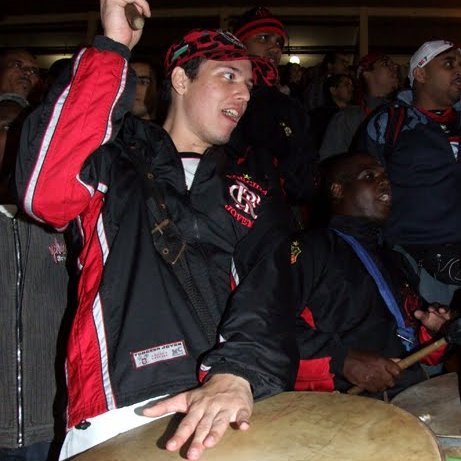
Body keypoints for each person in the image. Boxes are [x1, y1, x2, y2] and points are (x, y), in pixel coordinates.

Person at [15, 1, 298, 460]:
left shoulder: (250, 188)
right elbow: (44, 196)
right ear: (181, 80)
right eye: (228, 76)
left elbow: (272, 289)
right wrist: (113, 48)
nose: (244, 94)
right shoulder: (114, 159)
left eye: (249, 85)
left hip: (224, 398)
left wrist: (239, 372)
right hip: (119, 405)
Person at [292, 153, 451, 398]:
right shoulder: (309, 249)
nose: (385, 182)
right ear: (337, 190)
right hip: (346, 408)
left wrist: (432, 330)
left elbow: (414, 345)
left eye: (385, 177)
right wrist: (342, 361)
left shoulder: (394, 258)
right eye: (369, 176)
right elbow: (270, 328)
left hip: (411, 397)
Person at [355, 40, 461, 306]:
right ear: (421, 73)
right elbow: (358, 189)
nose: (459, 70)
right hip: (419, 264)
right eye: (449, 64)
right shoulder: (390, 123)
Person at [0, 92, 69, 461]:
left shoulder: (68, 222)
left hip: (53, 423)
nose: (16, 139)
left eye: (25, 132)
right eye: (7, 127)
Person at [230, 6, 318, 217]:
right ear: (239, 43)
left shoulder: (290, 105)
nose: (274, 48)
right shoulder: (225, 95)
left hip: (282, 218)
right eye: (263, 38)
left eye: (279, 43)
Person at [320, 53, 399, 159]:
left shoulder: (403, 112)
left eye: (393, 64)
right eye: (385, 64)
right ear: (366, 73)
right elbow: (331, 161)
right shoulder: (347, 118)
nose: (394, 67)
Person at [309, 73, 354, 150]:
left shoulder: (354, 112)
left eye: (351, 85)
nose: (351, 88)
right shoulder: (321, 115)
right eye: (346, 85)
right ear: (333, 90)